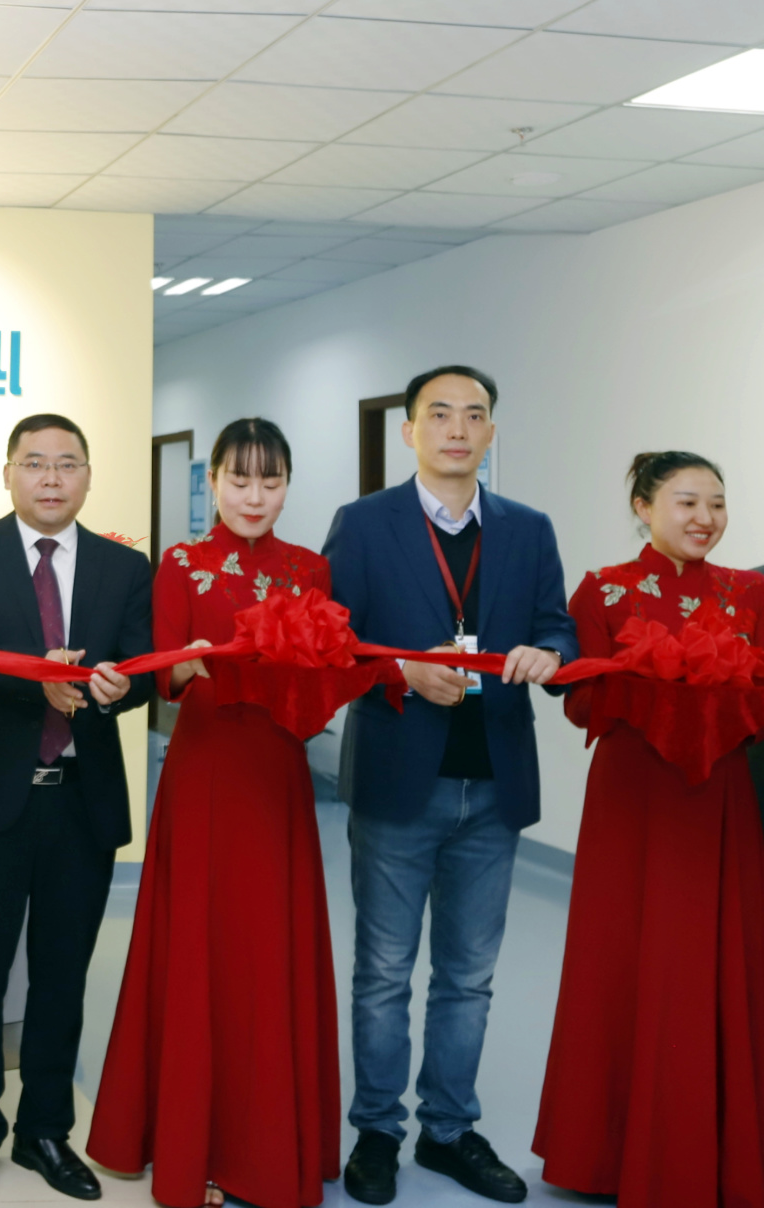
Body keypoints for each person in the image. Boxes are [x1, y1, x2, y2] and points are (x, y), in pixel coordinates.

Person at [322, 366, 576, 1205]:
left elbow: (558, 626)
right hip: (400, 779)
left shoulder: (528, 529)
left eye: (474, 415)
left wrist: (549, 652)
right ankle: (376, 1132)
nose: (458, 429)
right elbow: (334, 641)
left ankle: (448, 1130)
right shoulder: (364, 525)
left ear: (491, 432)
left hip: (494, 783)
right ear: (410, 431)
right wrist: (399, 671)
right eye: (440, 414)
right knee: (384, 973)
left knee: (469, 976)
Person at [88, 418, 340, 1208]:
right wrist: (191, 663)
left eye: (270, 480)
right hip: (204, 771)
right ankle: (190, 1144)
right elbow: (162, 675)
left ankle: (264, 1146)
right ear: (213, 481)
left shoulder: (309, 568)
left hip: (276, 773)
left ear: (287, 485)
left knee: (267, 949)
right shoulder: (181, 564)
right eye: (239, 479)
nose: (254, 496)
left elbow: (321, 678)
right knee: (197, 947)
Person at [0, 413, 155, 1204]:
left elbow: (146, 668)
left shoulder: (125, 567)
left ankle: (46, 1131)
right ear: (9, 474)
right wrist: (36, 681)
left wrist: (119, 687)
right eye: (35, 463)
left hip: (81, 805)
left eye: (67, 464)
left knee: (61, 978)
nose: (51, 478)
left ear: (88, 475)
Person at [534, 452, 764, 1208]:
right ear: (643, 506)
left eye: (717, 503)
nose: (705, 518)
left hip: (719, 796)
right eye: (687, 501)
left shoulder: (747, 591)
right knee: (625, 953)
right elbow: (579, 699)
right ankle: (607, 1158)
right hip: (633, 796)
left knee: (714, 954)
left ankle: (718, 1151)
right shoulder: (604, 588)